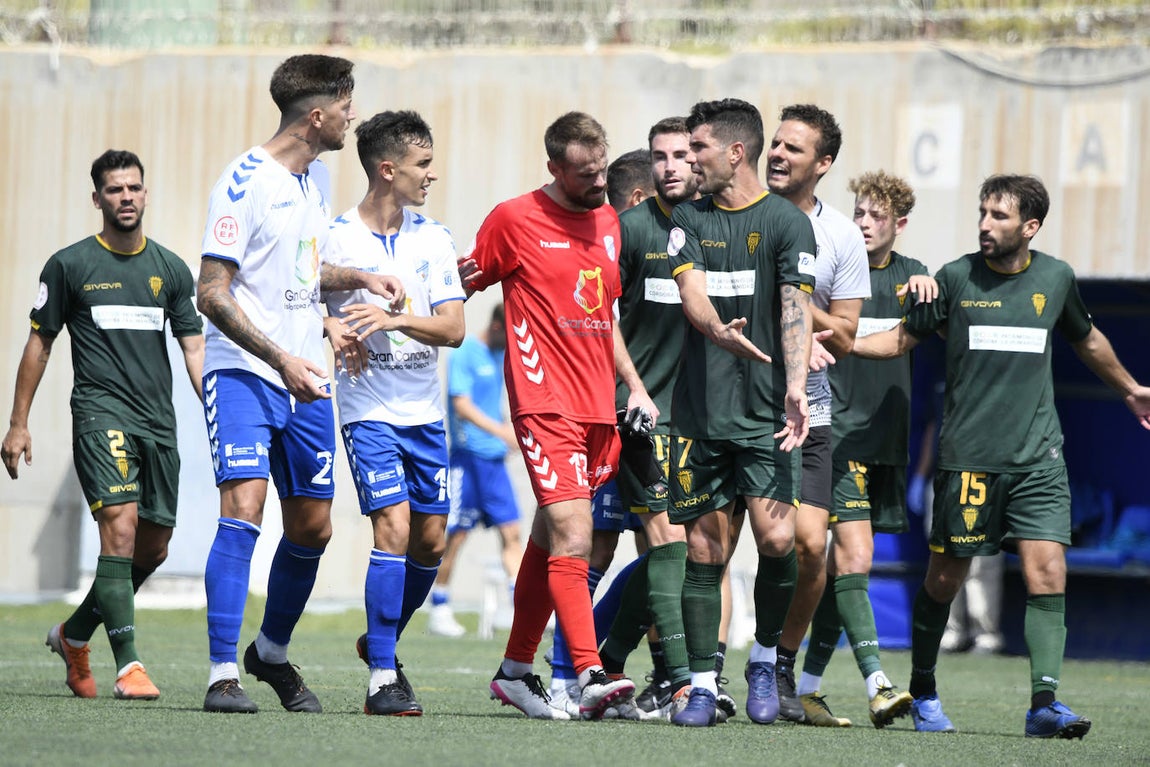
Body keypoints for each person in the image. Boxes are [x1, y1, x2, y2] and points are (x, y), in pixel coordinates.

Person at [853, 174, 1150, 739]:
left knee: (1048, 572)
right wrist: (842, 342)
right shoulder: (955, 277)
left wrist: (1130, 387)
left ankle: (1043, 704)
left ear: (1030, 227)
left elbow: (1086, 338)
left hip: (1039, 458)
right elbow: (898, 339)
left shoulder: (1057, 278)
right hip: (967, 463)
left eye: (999, 216)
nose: (985, 225)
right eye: (983, 212)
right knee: (943, 581)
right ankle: (925, 690)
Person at [196, 54, 405, 714]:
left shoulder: (311, 182)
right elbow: (212, 292)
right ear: (317, 115)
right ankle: (222, 673)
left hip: (303, 377)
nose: (354, 116)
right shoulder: (244, 181)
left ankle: (271, 653)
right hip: (244, 372)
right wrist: (281, 356)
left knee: (313, 528)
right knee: (243, 512)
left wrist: (358, 282)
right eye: (347, 105)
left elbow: (296, 273)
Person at [467, 111, 654, 721]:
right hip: (543, 402)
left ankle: (515, 671)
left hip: (597, 406)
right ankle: (588, 671)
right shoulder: (513, 219)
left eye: (602, 169)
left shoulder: (608, 221)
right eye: (584, 173)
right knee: (577, 533)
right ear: (554, 168)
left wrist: (634, 387)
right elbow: (459, 285)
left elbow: (606, 320)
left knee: (549, 541)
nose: (598, 182)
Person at [2, 150, 203, 701]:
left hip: (158, 424)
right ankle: (130, 666)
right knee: (120, 527)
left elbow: (193, 348)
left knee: (153, 548)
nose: (126, 197)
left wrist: (216, 411)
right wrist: (18, 423)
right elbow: (39, 343)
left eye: (134, 188)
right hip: (99, 414)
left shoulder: (171, 269)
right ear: (98, 199)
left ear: (145, 192)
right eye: (115, 190)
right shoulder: (69, 265)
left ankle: (73, 635)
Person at [665, 98, 816, 727]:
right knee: (704, 549)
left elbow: (794, 307)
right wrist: (716, 331)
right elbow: (691, 293)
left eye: (697, 147)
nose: (687, 158)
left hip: (765, 415)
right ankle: (703, 683)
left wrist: (798, 384)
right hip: (699, 414)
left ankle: (763, 658)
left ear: (734, 152)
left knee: (780, 538)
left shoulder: (787, 223)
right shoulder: (688, 218)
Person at [322, 109, 466, 715]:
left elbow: (454, 328)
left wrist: (398, 317)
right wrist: (329, 323)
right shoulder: (335, 235)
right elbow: (299, 291)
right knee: (395, 528)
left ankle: (378, 637)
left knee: (431, 541)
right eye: (422, 164)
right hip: (367, 408)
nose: (431, 175)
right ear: (388, 169)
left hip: (424, 414)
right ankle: (382, 674)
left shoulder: (433, 238)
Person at [784, 170, 936, 727]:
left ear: (899, 224)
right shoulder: (833, 269)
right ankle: (876, 681)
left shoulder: (912, 277)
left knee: (839, 570)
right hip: (837, 435)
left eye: (876, 216)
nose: (864, 224)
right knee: (856, 557)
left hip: (885, 442)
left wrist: (927, 292)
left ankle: (807, 687)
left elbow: (907, 337)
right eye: (859, 213)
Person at [428, 303, 522, 639]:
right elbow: (462, 405)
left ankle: (514, 608)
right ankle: (439, 608)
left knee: (512, 533)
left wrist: (510, 432)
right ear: (496, 327)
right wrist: (501, 431)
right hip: (467, 460)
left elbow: (493, 403)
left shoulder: (500, 356)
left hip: (494, 463)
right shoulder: (466, 351)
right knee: (455, 537)